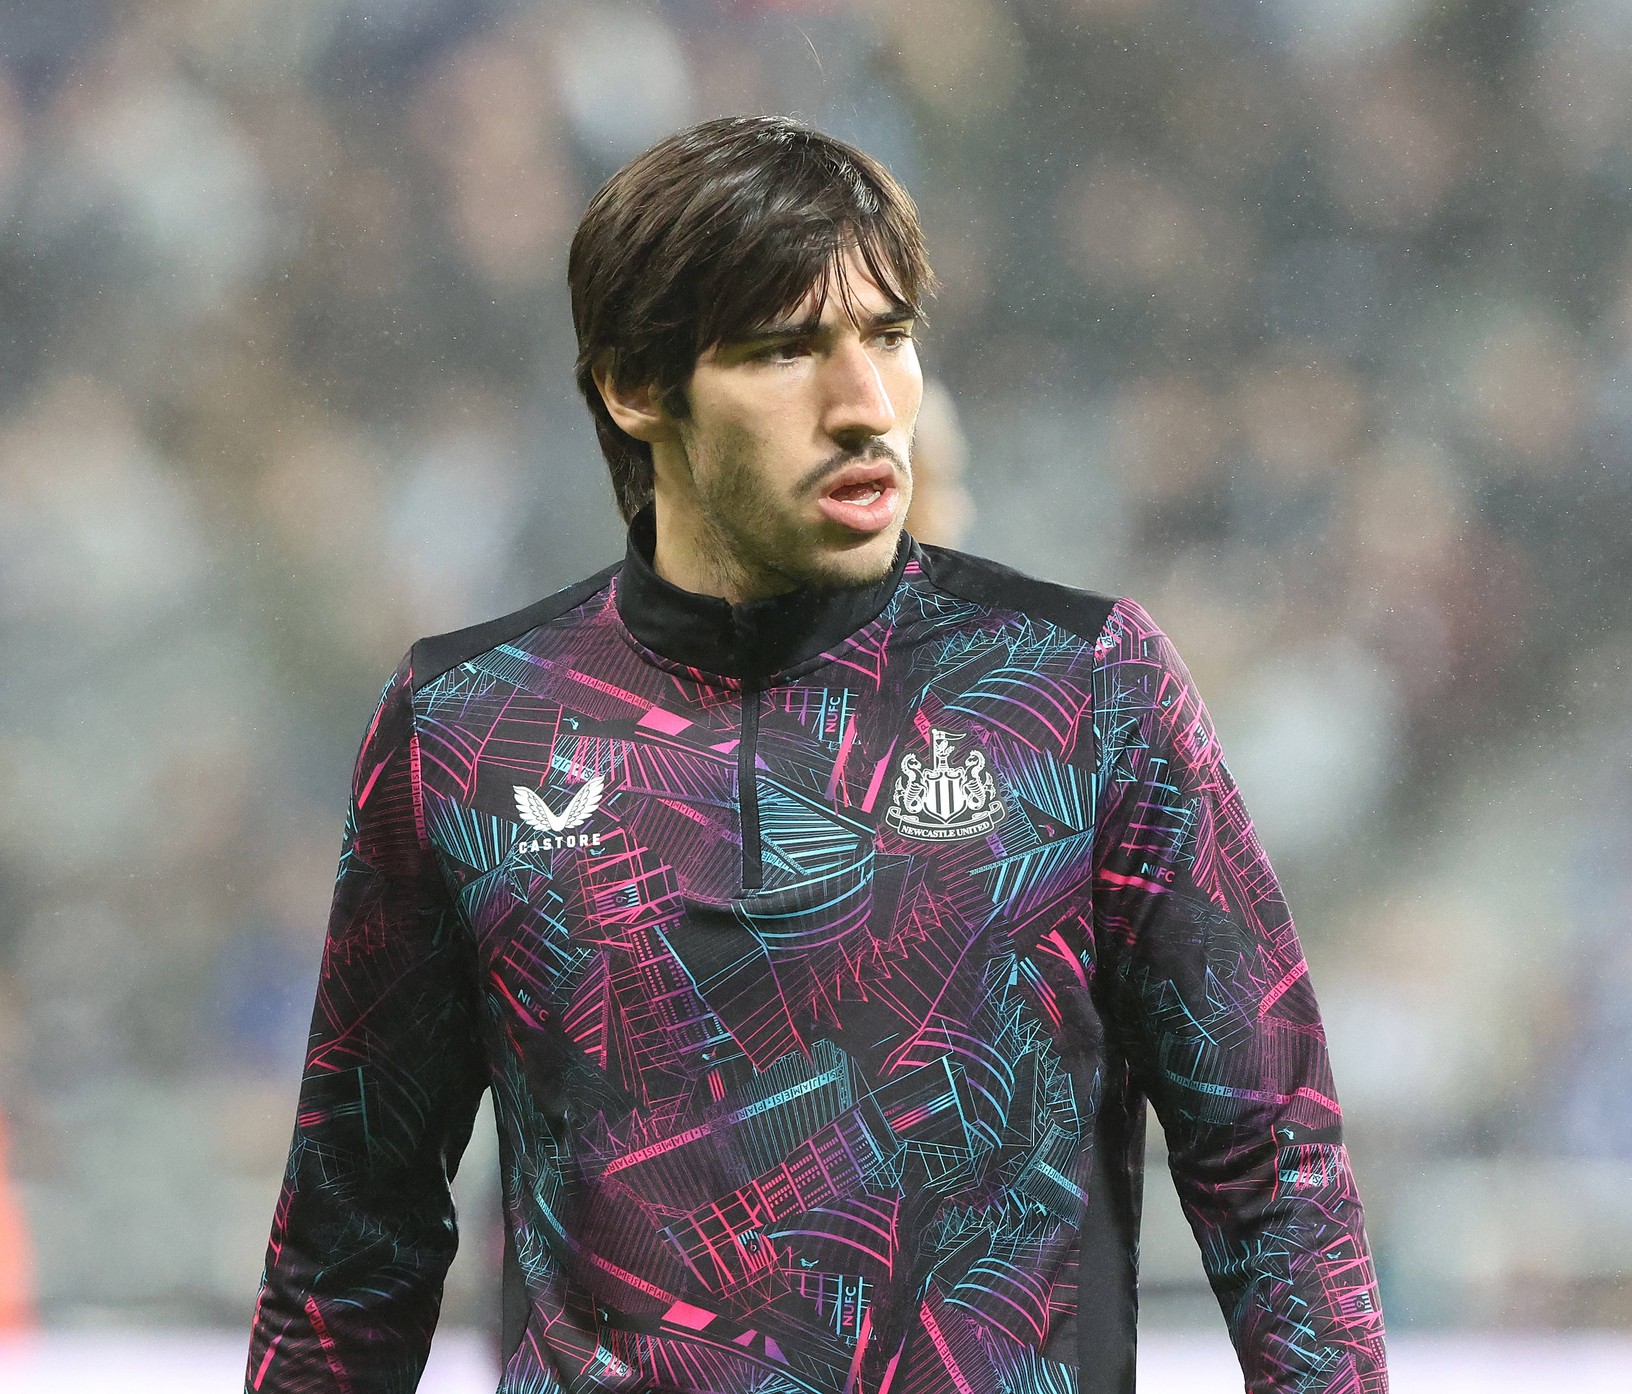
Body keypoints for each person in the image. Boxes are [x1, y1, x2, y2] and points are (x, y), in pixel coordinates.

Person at [246, 115, 1387, 1394]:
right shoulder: (467, 725)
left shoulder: (1085, 688)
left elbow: (1275, 1171)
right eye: (789, 350)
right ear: (636, 384)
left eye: (889, 337)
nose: (868, 406)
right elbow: (352, 1248)